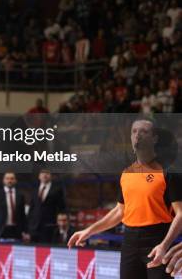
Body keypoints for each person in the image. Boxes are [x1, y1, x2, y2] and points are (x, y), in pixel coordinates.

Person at [68, 119, 182, 279]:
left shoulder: (169, 173)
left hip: (157, 238)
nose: (138, 135)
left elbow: (181, 214)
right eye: (134, 131)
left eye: (144, 131)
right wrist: (89, 231)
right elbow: (119, 211)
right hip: (129, 241)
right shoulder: (127, 173)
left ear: (154, 138)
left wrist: (165, 244)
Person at [0, 172, 28, 279]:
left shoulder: (20, 196)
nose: (9, 180)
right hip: (0, 231)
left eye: (12, 178)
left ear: (15, 181)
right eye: (7, 178)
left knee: (17, 261)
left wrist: (25, 232)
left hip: (16, 231)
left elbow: (22, 216)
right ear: (4, 180)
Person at [27, 169, 66, 243]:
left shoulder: (57, 189)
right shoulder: (34, 189)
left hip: (49, 227)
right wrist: (28, 226)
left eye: (47, 173)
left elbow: (61, 208)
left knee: (46, 249)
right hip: (34, 227)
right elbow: (31, 208)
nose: (45, 175)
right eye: (42, 173)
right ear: (39, 176)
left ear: (51, 176)